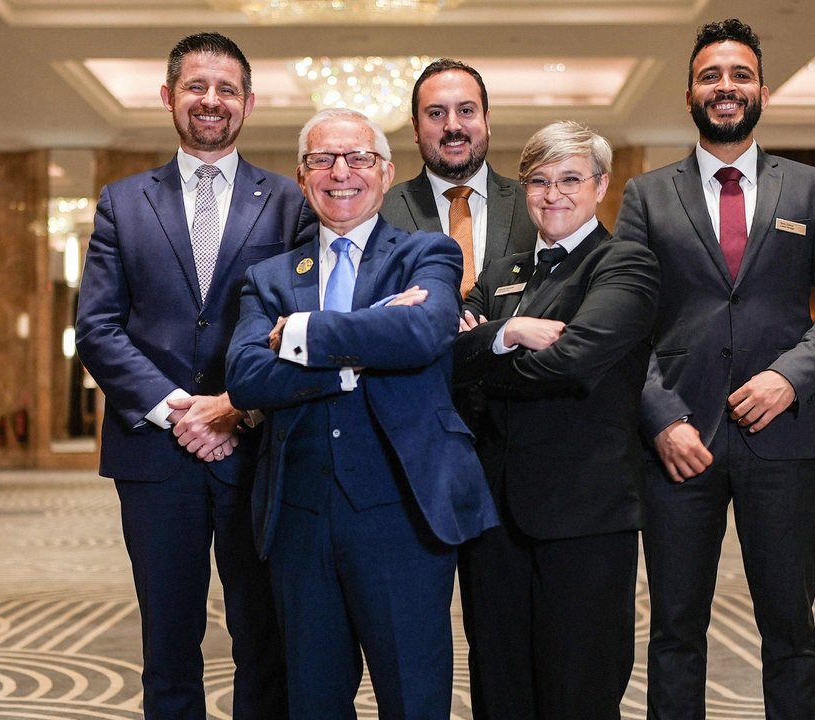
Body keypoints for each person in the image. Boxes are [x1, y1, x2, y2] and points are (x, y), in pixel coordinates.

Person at [616, 18, 815, 720]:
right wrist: (661, 419)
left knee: (790, 628)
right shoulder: (646, 195)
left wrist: (791, 376)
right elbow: (625, 324)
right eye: (710, 76)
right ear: (689, 94)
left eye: (739, 75)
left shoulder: (813, 189)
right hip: (678, 443)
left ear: (763, 90)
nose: (725, 86)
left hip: (785, 439)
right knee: (675, 632)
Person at [225, 107, 496, 719]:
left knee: (414, 699)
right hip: (299, 518)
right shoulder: (269, 277)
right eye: (322, 160)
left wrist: (301, 333)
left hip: (404, 513)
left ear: (386, 171)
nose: (340, 172)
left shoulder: (428, 253)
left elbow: (422, 334)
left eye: (358, 158)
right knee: (312, 702)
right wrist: (360, 351)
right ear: (302, 176)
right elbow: (245, 377)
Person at [74, 31, 311, 720]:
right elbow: (97, 326)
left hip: (257, 450)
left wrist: (235, 406)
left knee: (263, 639)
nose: (212, 100)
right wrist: (180, 408)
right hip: (154, 452)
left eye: (227, 89)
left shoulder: (290, 203)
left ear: (249, 103)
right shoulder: (122, 202)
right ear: (168, 97)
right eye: (196, 87)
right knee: (168, 643)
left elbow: (297, 324)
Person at [454, 120, 660, 719]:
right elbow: (446, 358)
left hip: (583, 515)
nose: (553, 194)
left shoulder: (624, 264)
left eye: (570, 179)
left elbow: (571, 363)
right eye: (539, 181)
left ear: (601, 185)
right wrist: (511, 334)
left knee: (578, 693)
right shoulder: (501, 273)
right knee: (499, 689)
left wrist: (485, 351)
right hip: (493, 516)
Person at [381, 58, 537, 298]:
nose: (452, 126)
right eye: (436, 113)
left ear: (486, 121)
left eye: (466, 111)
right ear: (416, 128)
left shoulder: (534, 205)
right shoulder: (382, 213)